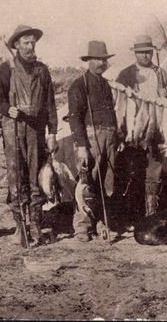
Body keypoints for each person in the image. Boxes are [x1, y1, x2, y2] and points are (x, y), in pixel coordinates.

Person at [0, 25, 58, 246]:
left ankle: (36, 226)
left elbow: (50, 104)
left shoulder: (42, 70)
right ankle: (20, 227)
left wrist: (53, 133)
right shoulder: (6, 68)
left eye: (33, 43)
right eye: (26, 43)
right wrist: (6, 109)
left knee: (37, 178)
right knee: (16, 178)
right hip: (13, 130)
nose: (31, 46)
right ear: (16, 45)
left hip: (37, 131)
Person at [116, 35, 167, 217]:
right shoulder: (125, 74)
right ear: (135, 54)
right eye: (140, 52)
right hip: (133, 130)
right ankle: (132, 214)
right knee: (133, 171)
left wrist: (166, 96)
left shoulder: (162, 74)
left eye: (148, 52)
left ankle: (151, 213)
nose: (145, 56)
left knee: (154, 171)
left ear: (152, 52)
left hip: (155, 130)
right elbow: (118, 103)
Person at [68, 41, 117, 242]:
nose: (101, 63)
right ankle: (81, 227)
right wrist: (81, 146)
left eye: (104, 59)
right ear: (88, 61)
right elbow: (74, 117)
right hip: (90, 138)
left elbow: (112, 113)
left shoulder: (106, 84)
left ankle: (100, 223)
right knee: (86, 183)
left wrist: (116, 137)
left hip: (110, 138)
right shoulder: (79, 85)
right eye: (97, 59)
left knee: (106, 183)